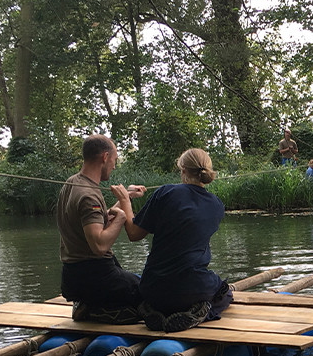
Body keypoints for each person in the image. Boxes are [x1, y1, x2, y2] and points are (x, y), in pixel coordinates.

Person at [121, 148, 233, 333]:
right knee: (224, 292)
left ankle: (150, 310)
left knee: (159, 288)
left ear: (183, 170)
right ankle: (200, 314)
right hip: (192, 288)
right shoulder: (217, 205)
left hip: (152, 288)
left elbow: (134, 234)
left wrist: (125, 200)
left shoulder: (165, 193)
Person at [57, 134, 146, 324]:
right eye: (114, 160)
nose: (114, 166)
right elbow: (99, 245)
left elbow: (96, 221)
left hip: (73, 277)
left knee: (139, 283)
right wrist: (122, 217)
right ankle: (95, 311)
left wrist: (126, 198)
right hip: (96, 277)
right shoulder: (89, 195)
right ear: (105, 157)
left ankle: (90, 304)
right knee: (152, 294)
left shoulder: (72, 183)